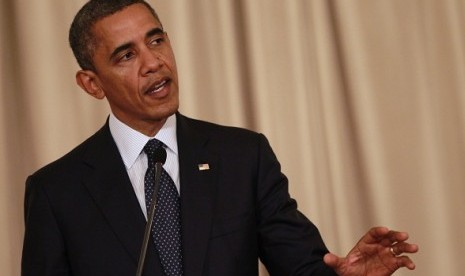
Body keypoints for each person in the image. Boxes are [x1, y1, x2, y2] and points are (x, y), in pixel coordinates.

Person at [21, 0, 418, 275]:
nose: (153, 62)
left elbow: (300, 266)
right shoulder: (57, 192)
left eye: (156, 40)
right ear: (91, 84)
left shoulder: (242, 157)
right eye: (126, 55)